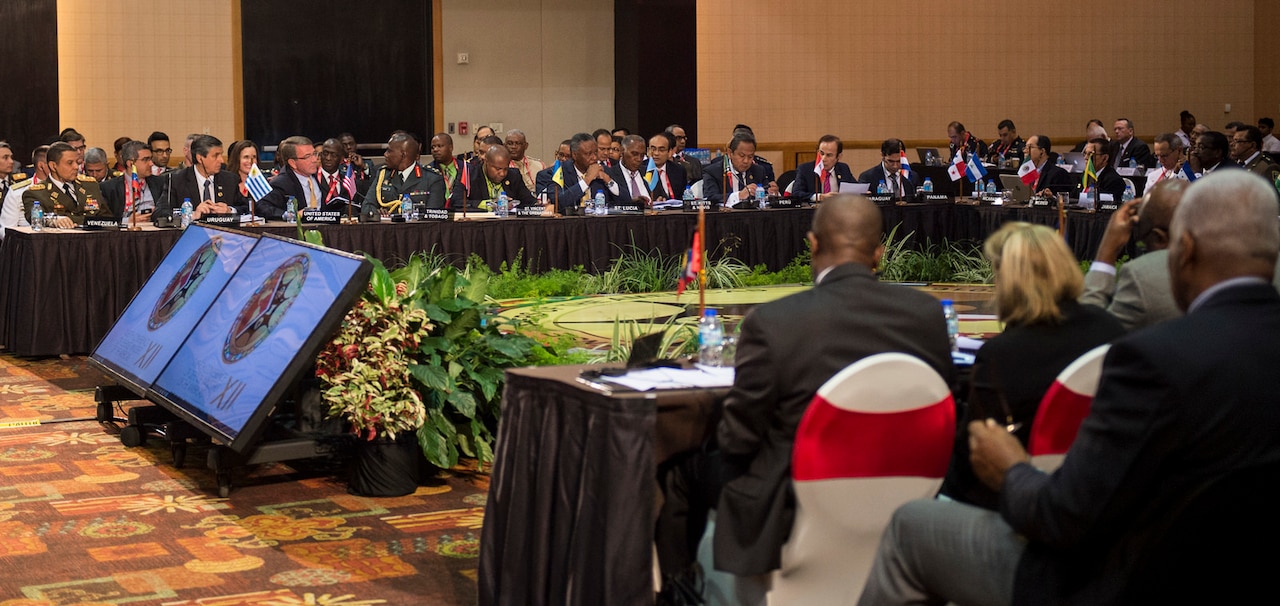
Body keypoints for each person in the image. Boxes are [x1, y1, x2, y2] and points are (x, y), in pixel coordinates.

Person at [859, 170, 1280, 606]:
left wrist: (1013, 470)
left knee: (911, 523)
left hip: (1114, 578)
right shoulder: (1145, 347)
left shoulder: (1154, 361)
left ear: (1184, 249)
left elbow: (1065, 518)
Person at [714, 194, 953, 580]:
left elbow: (738, 439)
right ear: (879, 253)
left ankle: (683, 588)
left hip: (798, 508)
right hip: (909, 502)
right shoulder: (926, 315)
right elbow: (944, 413)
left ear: (812, 244)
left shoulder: (775, 322)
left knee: (687, 470)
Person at [940, 222, 1123, 509]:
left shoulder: (1001, 355)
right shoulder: (1110, 329)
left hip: (1018, 508)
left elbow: (968, 465)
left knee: (908, 518)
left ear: (1007, 279)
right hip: (1099, 495)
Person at [1079, 179, 1188, 331]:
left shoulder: (1141, 277)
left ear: (1159, 238)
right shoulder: (1226, 266)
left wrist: (1106, 250)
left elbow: (1090, 330)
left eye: (1143, 241)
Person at [153, 134, 244, 221]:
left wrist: (230, 210)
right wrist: (191, 214)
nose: (221, 160)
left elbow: (246, 207)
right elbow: (160, 213)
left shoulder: (230, 180)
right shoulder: (176, 180)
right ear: (200, 158)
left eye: (221, 154)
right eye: (215, 155)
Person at [22, 141, 109, 227]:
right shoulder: (36, 193)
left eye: (77, 162)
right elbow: (34, 218)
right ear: (53, 166)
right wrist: (53, 219)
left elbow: (108, 219)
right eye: (70, 163)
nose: (76, 167)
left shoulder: (90, 185)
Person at [360, 132, 446, 218]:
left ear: (403, 155)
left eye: (389, 151)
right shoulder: (383, 174)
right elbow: (367, 206)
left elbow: (433, 217)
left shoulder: (432, 179)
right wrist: (378, 214)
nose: (385, 154)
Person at [545, 132, 625, 214]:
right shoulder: (558, 172)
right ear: (575, 155)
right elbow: (558, 203)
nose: (594, 157)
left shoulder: (604, 170)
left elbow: (626, 202)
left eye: (595, 152)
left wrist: (608, 180)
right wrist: (587, 180)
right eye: (588, 154)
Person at [448, 144, 536, 211]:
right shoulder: (469, 174)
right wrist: (489, 204)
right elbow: (457, 202)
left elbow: (529, 202)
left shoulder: (513, 175)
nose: (502, 173)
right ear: (486, 162)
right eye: (498, 169)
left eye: (505, 168)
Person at [701, 132, 777, 209]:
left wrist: (772, 195)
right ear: (730, 153)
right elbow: (709, 198)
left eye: (750, 157)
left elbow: (766, 194)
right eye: (742, 156)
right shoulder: (713, 172)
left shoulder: (758, 171)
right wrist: (739, 196)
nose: (746, 161)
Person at [257, 136, 325, 219]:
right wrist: (292, 215)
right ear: (293, 163)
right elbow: (262, 207)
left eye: (314, 154)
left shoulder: (320, 176)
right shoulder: (281, 183)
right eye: (307, 157)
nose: (315, 159)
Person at [99, 140, 162, 220]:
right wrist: (127, 221)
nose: (151, 164)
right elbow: (103, 220)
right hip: (123, 231)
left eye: (150, 159)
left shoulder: (160, 183)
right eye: (145, 159)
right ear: (130, 164)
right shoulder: (108, 188)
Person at [0, 145, 48, 239]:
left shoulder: (68, 189)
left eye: (11, 157)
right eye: (5, 158)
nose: (11, 161)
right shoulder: (18, 190)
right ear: (41, 166)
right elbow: (6, 229)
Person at [792, 134, 855, 203]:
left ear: (839, 156)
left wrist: (863, 193)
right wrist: (819, 197)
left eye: (829, 155)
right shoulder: (805, 169)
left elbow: (854, 188)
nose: (823, 158)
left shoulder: (843, 168)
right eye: (821, 153)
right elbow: (796, 194)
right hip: (815, 212)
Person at [317, 138, 363, 207]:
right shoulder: (313, 179)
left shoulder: (348, 182)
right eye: (325, 154)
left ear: (341, 159)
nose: (328, 158)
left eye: (334, 155)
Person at [607, 134, 651, 206]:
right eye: (634, 154)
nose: (639, 159)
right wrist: (632, 203)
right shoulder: (610, 174)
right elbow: (609, 205)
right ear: (622, 151)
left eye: (642, 155)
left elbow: (659, 198)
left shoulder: (648, 172)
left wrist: (659, 200)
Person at [644, 132, 688, 201]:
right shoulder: (640, 170)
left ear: (670, 153)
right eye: (653, 149)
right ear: (648, 151)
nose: (656, 153)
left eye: (661, 150)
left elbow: (682, 197)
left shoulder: (679, 170)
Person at [504, 129, 545, 193]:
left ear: (526, 146)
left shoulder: (539, 165)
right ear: (504, 145)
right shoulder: (502, 167)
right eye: (510, 143)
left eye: (518, 143)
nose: (514, 147)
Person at [429, 132, 465, 199]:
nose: (435, 150)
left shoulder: (465, 168)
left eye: (439, 146)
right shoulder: (429, 171)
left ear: (450, 147)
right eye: (433, 147)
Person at [533, 139, 572, 203]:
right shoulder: (545, 175)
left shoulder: (579, 175)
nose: (564, 159)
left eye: (568, 156)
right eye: (561, 155)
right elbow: (549, 199)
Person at [227, 139, 259, 205]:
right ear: (236, 159)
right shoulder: (227, 182)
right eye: (246, 157)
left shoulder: (260, 183)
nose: (250, 161)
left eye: (254, 157)